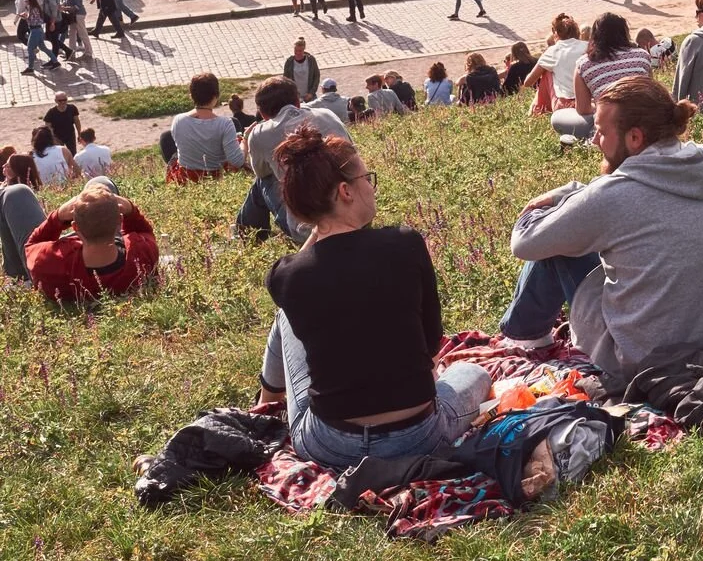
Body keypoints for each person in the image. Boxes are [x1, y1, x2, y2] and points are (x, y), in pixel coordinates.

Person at [495, 77, 703, 387]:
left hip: (650, 364)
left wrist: (552, 203)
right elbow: (649, 206)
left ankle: (524, 339)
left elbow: (525, 243)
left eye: (601, 132)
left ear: (635, 138)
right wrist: (580, 196)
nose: (595, 141)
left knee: (557, 244)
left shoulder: (612, 196)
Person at [257, 127, 493, 468]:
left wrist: (319, 224)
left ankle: (266, 402)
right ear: (345, 191)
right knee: (474, 374)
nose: (371, 187)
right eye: (367, 178)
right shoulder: (405, 243)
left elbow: (303, 267)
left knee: (285, 316)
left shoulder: (287, 276)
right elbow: (430, 340)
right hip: (420, 435)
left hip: (331, 445)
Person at [238, 75, 350, 242]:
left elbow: (262, 173)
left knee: (263, 181)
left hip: (308, 230)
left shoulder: (260, 134)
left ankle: (248, 233)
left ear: (262, 114)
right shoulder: (327, 115)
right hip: (355, 213)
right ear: (297, 102)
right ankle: (246, 231)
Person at [18, 183, 158, 303]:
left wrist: (58, 216)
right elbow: (145, 232)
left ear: (75, 227)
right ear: (120, 221)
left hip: (65, 257)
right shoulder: (141, 252)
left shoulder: (52, 262)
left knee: (16, 193)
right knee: (101, 182)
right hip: (109, 243)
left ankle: (18, 278)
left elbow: (30, 246)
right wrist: (131, 210)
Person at [557, 12, 656, 141]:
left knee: (559, 117)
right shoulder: (642, 55)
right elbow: (651, 92)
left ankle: (588, 137)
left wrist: (598, 104)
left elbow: (583, 109)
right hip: (642, 120)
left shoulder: (584, 64)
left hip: (609, 121)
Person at [167, 73, 247, 183]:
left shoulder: (178, 120)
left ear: (191, 95)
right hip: (216, 177)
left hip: (186, 177)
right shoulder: (225, 124)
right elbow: (237, 161)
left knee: (173, 154)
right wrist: (245, 142)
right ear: (216, 96)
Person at [526, 14, 588, 121]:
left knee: (547, 71)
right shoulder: (588, 46)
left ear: (556, 33)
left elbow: (528, 82)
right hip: (589, 101)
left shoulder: (553, 51)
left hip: (564, 105)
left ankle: (538, 109)